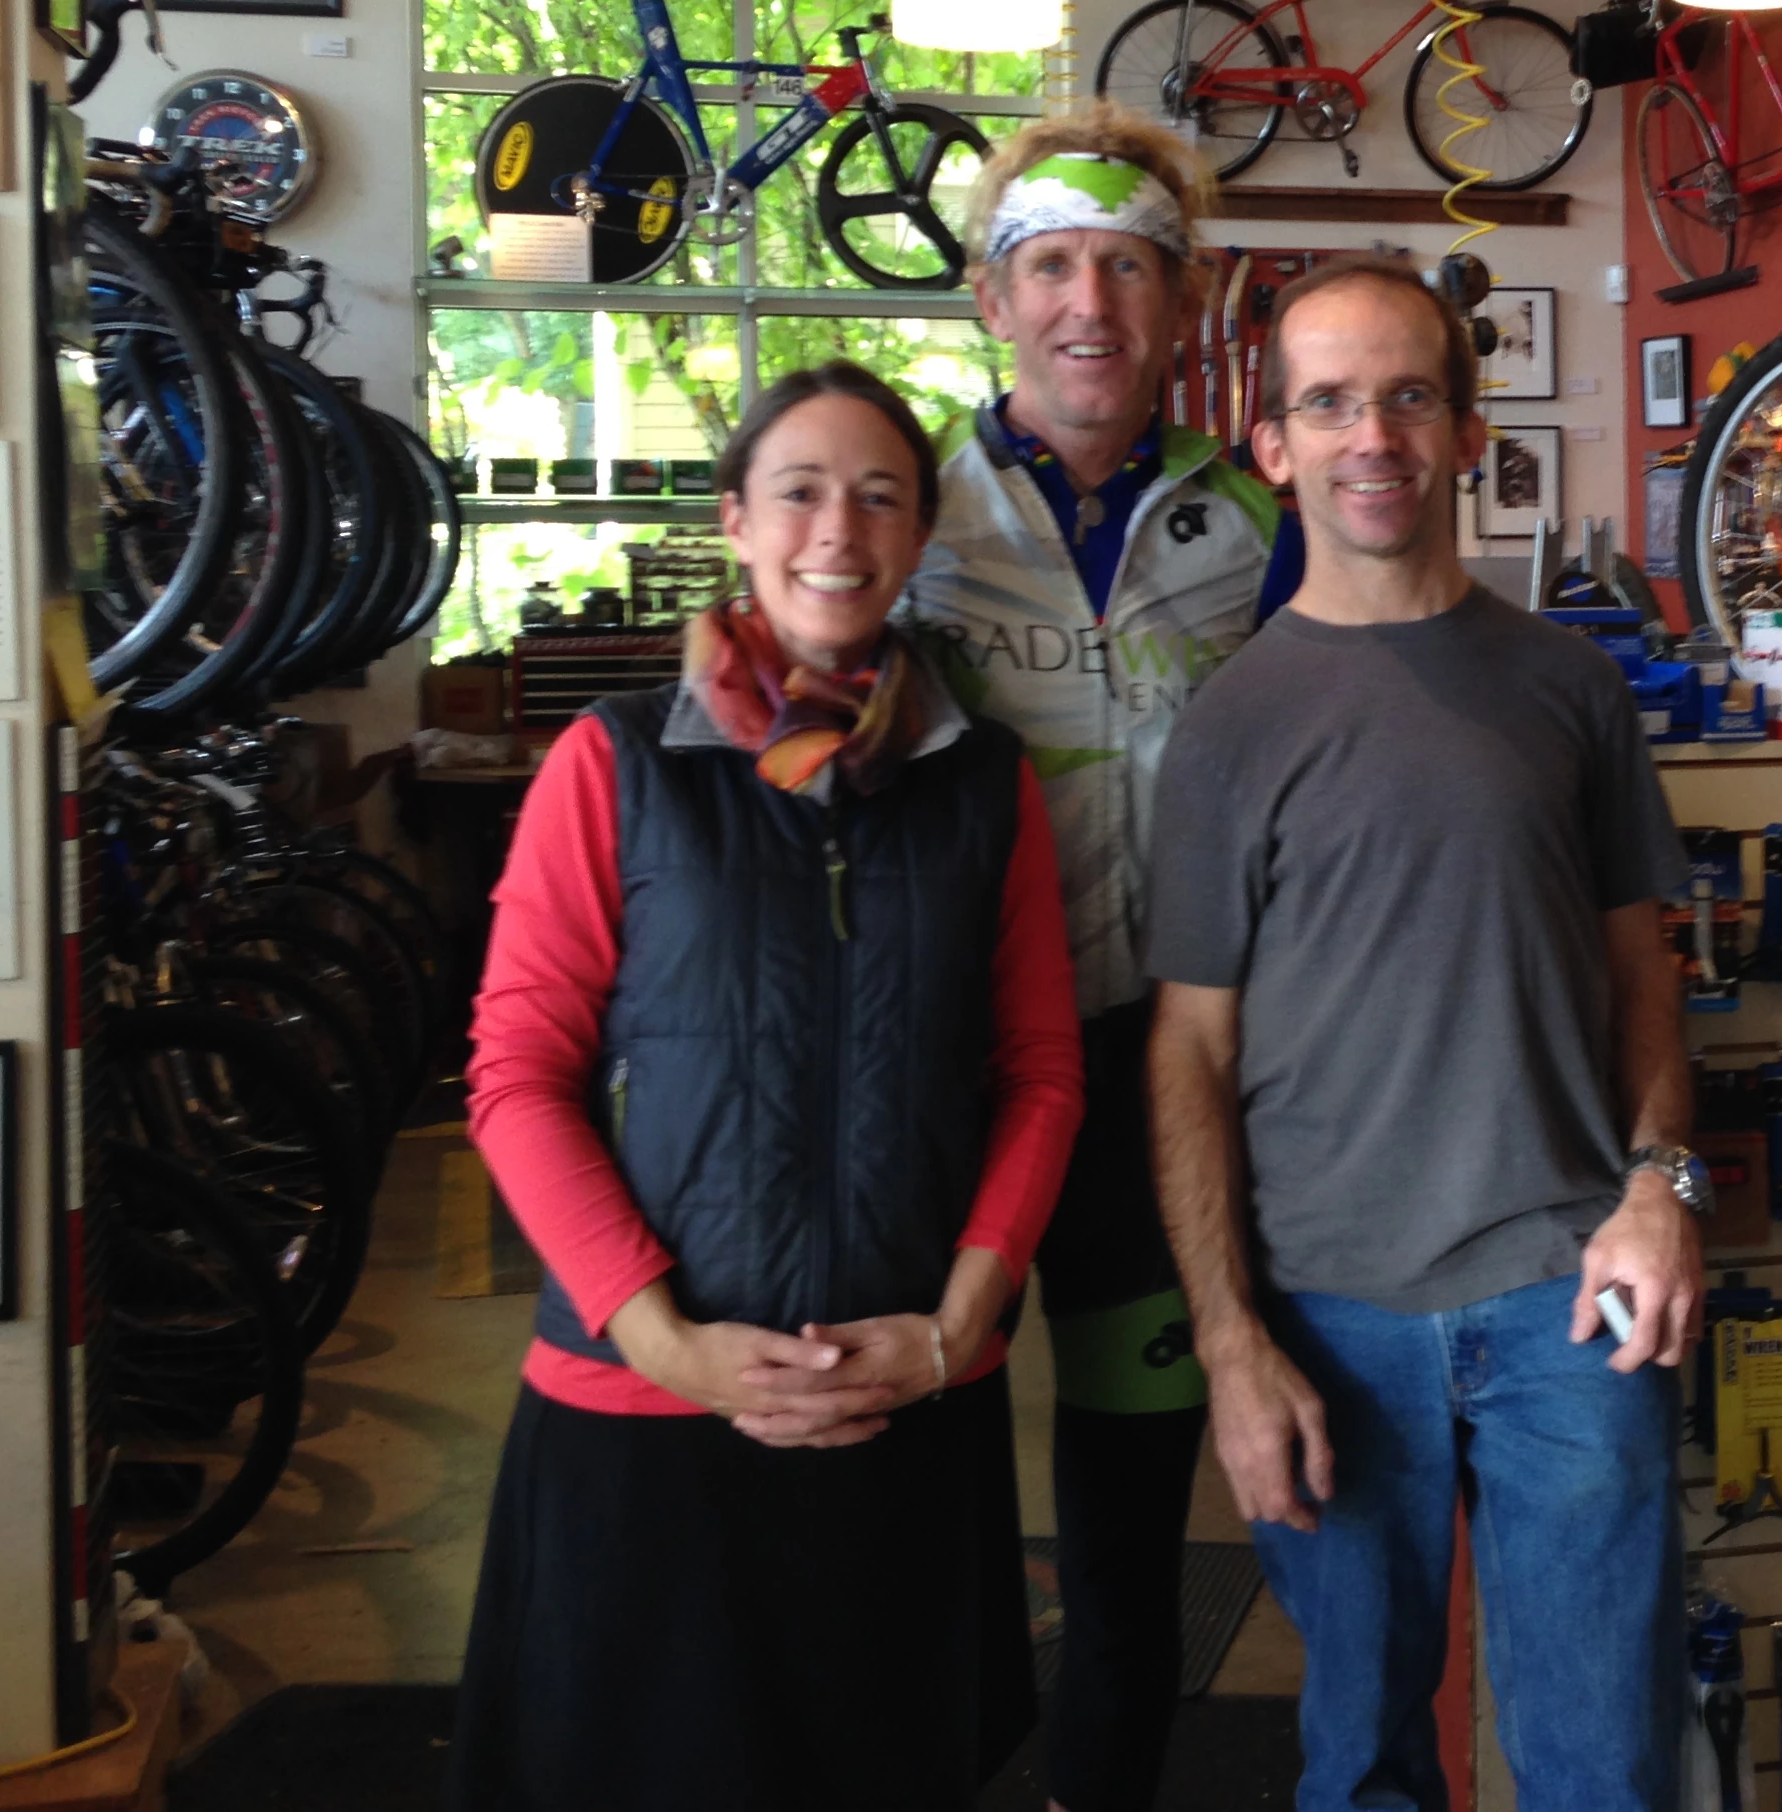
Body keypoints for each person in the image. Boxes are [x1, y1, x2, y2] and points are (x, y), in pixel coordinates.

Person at [452, 360, 1085, 1810]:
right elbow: (516, 1079)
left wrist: (955, 1326)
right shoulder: (616, 763)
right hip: (647, 1416)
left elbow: (1039, 1076)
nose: (837, 531)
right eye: (799, 491)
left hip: (906, 1405)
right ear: (735, 520)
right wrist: (663, 1340)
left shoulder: (983, 782)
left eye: (879, 497)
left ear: (920, 537)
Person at [1146, 258, 1710, 1810]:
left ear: (1470, 429)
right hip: (1329, 1320)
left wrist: (1662, 1190)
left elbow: (1644, 980)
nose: (1370, 434)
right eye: (1327, 402)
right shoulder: (1228, 726)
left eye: (1407, 395)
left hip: (1570, 1306)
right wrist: (1232, 1342)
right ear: (1274, 445)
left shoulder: (1570, 686)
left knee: (1605, 1769)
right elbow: (1187, 1052)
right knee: (1364, 1764)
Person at [896, 103, 1299, 1812]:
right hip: (947, 1079)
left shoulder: (1250, 521)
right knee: (916, 1493)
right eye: (1051, 264)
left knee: (1131, 1513)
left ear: (1182, 302)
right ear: (994, 300)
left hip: (1158, 1080)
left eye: (1129, 268)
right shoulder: (900, 505)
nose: (1090, 305)